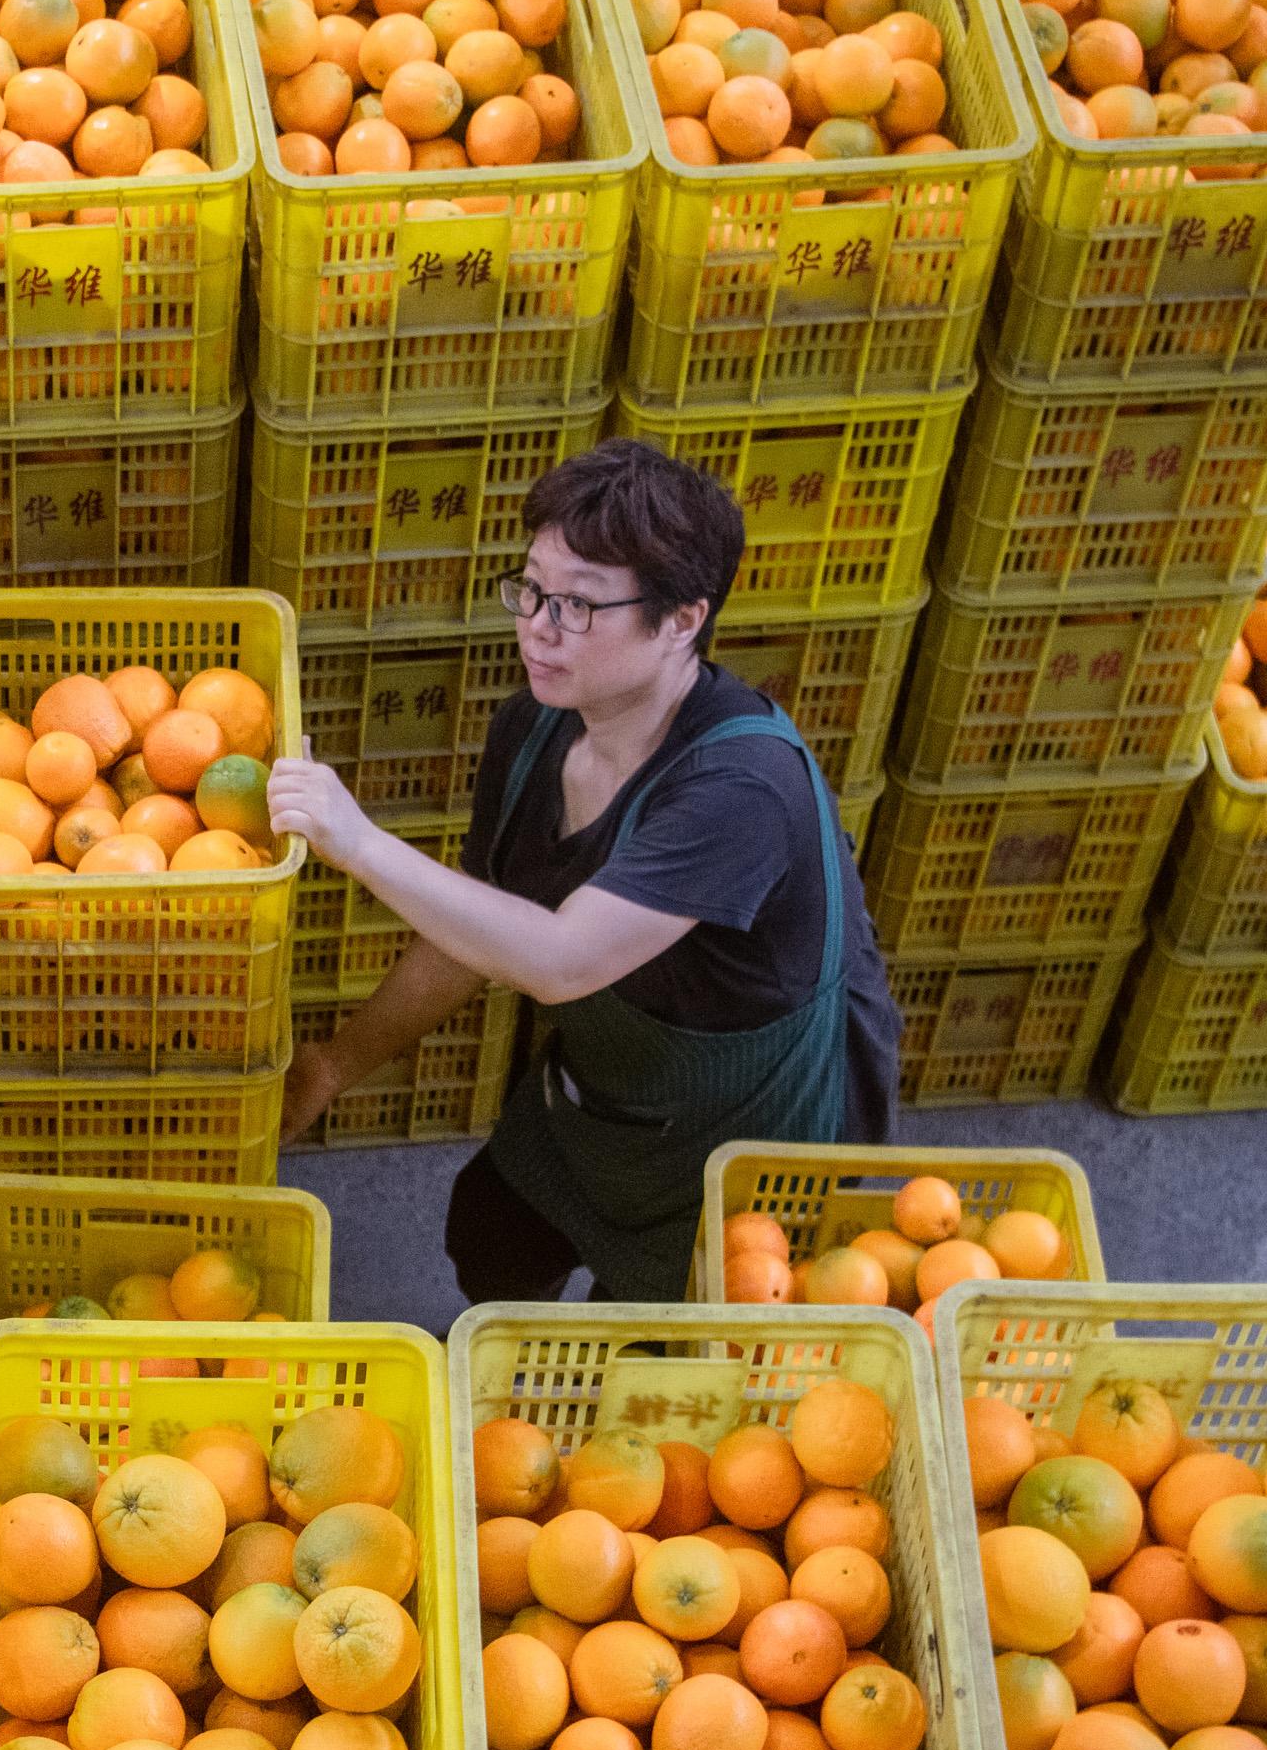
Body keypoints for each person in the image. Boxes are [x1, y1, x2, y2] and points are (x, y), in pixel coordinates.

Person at [266, 436, 901, 1303]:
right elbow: (478, 930)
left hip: (749, 1137)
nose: (537, 625)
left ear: (683, 619)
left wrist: (359, 840)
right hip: (611, 1094)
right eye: (530, 588)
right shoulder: (535, 728)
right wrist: (336, 1065)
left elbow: (560, 960)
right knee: (489, 1230)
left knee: (651, 1364)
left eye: (579, 605)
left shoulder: (739, 791)